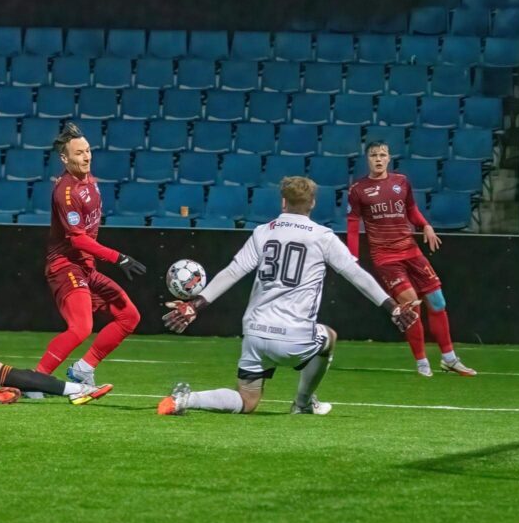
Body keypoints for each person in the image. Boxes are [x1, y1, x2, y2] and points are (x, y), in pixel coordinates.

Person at [157, 176, 419, 417]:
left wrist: (195, 306)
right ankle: (302, 403)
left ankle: (185, 400)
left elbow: (233, 271)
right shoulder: (322, 237)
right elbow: (356, 275)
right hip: (295, 337)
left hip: (255, 333)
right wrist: (393, 307)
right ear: (312, 203)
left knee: (247, 400)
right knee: (329, 338)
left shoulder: (263, 232)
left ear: (283, 202)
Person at [346, 141, 475, 377]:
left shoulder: (401, 182)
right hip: (386, 257)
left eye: (382, 154)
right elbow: (353, 224)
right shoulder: (358, 189)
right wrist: (352, 256)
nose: (378, 159)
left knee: (438, 302)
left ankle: (449, 359)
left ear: (389, 158)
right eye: (374, 155)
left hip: (411, 251)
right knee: (411, 306)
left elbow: (411, 210)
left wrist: (425, 225)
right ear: (367, 159)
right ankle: (422, 362)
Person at [34, 122, 147, 392]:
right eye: (79, 153)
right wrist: (118, 257)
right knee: (81, 328)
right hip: (65, 267)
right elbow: (77, 239)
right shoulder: (66, 192)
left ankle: (84, 368)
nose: (86, 157)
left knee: (129, 316)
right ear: (65, 159)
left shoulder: (89, 181)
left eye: (87, 151)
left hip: (86, 268)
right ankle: (35, 380)